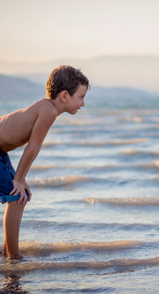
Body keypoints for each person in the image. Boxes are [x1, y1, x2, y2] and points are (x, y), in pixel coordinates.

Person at [0, 65, 89, 259]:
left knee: (21, 195)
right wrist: (18, 180)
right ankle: (13, 256)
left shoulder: (46, 108)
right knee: (15, 197)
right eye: (81, 97)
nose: (83, 103)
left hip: (1, 151)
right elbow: (33, 147)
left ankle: (6, 251)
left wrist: (21, 179)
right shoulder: (48, 111)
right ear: (64, 96)